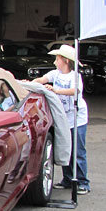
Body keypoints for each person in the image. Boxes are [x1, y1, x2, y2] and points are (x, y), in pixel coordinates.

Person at [32, 44, 90, 195]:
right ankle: (68, 178)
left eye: (57, 59)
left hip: (77, 118)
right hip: (63, 117)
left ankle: (83, 182)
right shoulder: (55, 74)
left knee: (78, 150)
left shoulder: (75, 76)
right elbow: (43, 79)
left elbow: (75, 91)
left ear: (65, 60)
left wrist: (56, 90)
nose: (55, 62)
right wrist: (32, 83)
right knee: (65, 147)